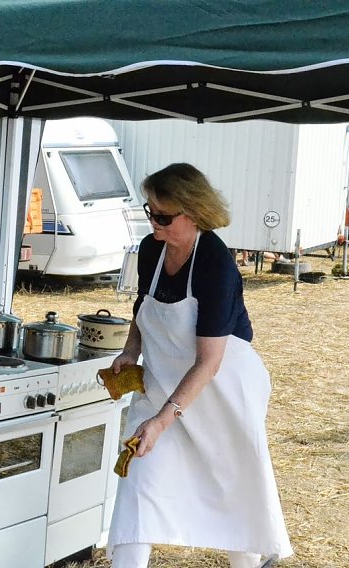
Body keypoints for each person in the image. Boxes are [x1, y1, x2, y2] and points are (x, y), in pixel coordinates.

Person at [107, 163, 292, 568]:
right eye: (149, 210)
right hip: (162, 383)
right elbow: (144, 307)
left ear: (192, 213)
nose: (153, 221)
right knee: (139, 485)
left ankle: (250, 561)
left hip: (223, 388)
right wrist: (129, 352)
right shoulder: (151, 248)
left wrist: (162, 420)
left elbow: (209, 362)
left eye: (162, 215)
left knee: (236, 492)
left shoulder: (215, 264)